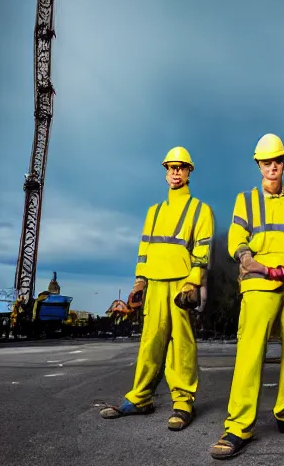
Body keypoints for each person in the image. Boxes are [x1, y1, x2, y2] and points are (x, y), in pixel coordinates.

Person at [210, 134, 284, 460]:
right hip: (259, 284)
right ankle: (238, 427)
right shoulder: (244, 201)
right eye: (266, 162)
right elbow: (237, 237)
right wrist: (249, 261)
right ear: (258, 165)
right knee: (250, 355)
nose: (272, 167)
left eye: (277, 161)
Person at [100, 146, 215, 431]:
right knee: (150, 341)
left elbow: (202, 251)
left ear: (189, 171)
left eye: (180, 167)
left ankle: (183, 401)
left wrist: (193, 283)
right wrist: (140, 281)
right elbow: (144, 251)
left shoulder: (200, 210)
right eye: (170, 168)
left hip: (180, 283)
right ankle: (140, 398)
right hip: (154, 283)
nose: (175, 172)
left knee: (182, 345)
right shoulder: (153, 212)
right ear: (166, 173)